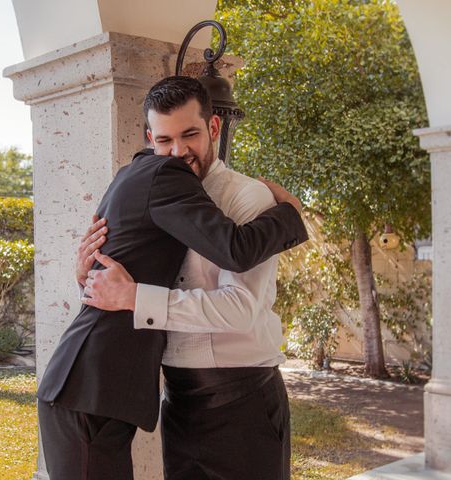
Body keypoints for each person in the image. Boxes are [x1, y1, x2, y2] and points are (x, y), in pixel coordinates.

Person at [37, 75, 308, 480]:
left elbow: (240, 310)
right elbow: (132, 265)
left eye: (191, 134)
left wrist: (134, 298)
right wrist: (90, 276)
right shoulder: (158, 189)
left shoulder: (248, 199)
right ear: (149, 138)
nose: (179, 151)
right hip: (179, 400)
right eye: (164, 141)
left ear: (213, 127)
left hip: (242, 401)